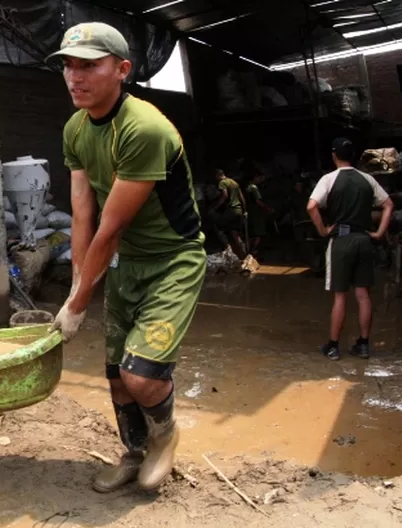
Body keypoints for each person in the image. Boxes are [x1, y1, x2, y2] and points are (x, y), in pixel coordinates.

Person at [46, 22, 206, 493]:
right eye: (69, 66)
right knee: (117, 374)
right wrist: (77, 285)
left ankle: (165, 436)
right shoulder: (75, 128)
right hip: (128, 263)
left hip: (173, 258)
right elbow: (82, 215)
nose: (76, 76)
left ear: (122, 70)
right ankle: (133, 452)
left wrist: (76, 307)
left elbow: (110, 229)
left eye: (90, 65)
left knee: (142, 374)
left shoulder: (144, 128)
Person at [307, 137, 393, 361]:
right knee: (363, 295)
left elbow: (312, 206)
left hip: (342, 241)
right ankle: (363, 345)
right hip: (364, 239)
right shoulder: (367, 179)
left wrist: (323, 231)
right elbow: (388, 205)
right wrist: (379, 233)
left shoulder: (329, 179)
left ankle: (334, 346)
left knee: (340, 296)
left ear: (334, 155)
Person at [211, 168, 248, 259]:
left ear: (217, 175)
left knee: (218, 226)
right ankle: (244, 254)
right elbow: (242, 198)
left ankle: (228, 248)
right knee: (235, 233)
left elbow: (224, 195)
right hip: (238, 211)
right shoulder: (234, 182)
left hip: (230, 211)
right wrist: (245, 210)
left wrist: (216, 207)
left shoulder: (222, 182)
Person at [244, 171, 274, 257]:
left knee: (253, 233)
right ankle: (253, 251)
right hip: (257, 213)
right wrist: (268, 208)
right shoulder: (254, 187)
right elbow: (258, 201)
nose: (260, 179)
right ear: (255, 177)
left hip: (251, 212)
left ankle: (249, 250)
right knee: (260, 234)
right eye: (259, 177)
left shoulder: (247, 187)